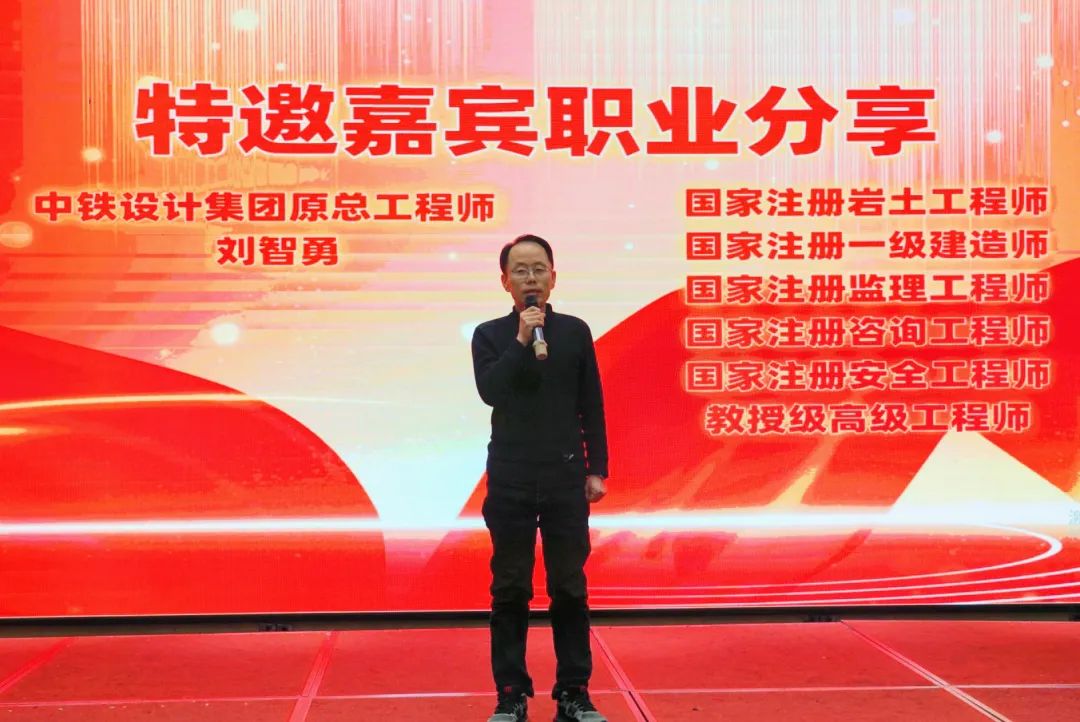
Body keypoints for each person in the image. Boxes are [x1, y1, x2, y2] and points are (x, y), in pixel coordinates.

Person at [471, 234, 609, 722]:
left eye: (539, 269)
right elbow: (491, 391)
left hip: (564, 475)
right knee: (510, 587)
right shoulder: (490, 335)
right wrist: (522, 339)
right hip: (510, 476)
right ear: (505, 282)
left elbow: (590, 401)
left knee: (569, 586)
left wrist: (597, 468)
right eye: (521, 270)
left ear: (554, 277)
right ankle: (511, 693)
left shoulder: (574, 331)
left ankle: (574, 690)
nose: (531, 278)